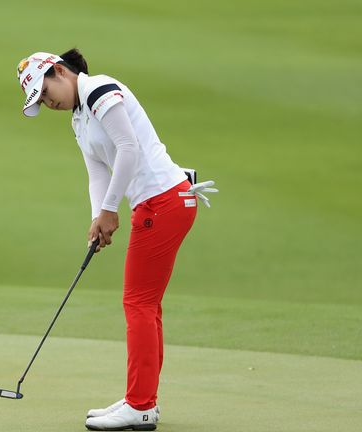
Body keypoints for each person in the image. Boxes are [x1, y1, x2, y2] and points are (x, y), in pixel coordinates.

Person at [15, 49, 216, 431]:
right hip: (160, 202)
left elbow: (129, 148)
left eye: (45, 91)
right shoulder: (79, 117)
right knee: (146, 305)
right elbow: (97, 172)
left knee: (138, 303)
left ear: (60, 70)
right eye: (39, 100)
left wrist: (111, 210)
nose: (47, 102)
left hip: (162, 201)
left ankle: (140, 405)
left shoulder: (98, 89)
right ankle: (143, 400)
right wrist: (98, 215)